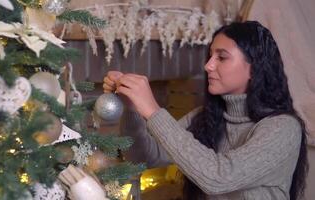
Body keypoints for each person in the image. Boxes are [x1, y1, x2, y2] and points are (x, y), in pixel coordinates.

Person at [102, 21, 308, 200]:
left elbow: (218, 177)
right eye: (210, 56)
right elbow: (141, 159)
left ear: (254, 68)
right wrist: (131, 108)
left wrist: (153, 111)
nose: (208, 66)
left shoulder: (283, 128)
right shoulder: (206, 117)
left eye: (222, 57)